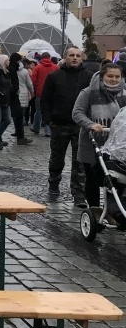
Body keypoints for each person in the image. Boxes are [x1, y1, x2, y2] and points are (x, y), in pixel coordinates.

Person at [41, 47, 93, 204]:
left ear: (82, 58)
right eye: (72, 55)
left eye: (78, 56)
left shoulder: (89, 77)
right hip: (59, 124)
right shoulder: (54, 76)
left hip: (81, 126)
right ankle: (54, 182)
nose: (75, 58)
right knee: (57, 157)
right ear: (65, 57)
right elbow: (45, 100)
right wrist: (49, 119)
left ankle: (78, 192)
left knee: (80, 161)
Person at [73, 63, 126, 212]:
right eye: (110, 76)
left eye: (117, 76)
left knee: (116, 177)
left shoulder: (125, 93)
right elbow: (77, 113)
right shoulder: (89, 92)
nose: (114, 79)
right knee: (92, 177)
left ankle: (114, 210)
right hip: (92, 141)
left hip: (118, 143)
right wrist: (90, 124)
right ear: (102, 76)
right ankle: (95, 209)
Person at [8, 52, 33, 146]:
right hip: (19, 94)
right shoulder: (21, 71)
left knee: (16, 116)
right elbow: (29, 83)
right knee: (19, 116)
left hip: (14, 95)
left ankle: (18, 133)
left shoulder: (10, 69)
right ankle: (20, 136)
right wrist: (32, 91)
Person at [31, 52, 59, 136]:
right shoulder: (56, 67)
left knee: (38, 111)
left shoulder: (37, 67)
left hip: (40, 92)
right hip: (53, 92)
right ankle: (48, 131)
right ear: (49, 57)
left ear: (41, 58)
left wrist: (36, 88)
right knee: (50, 111)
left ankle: (36, 128)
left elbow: (33, 80)